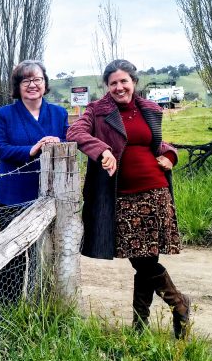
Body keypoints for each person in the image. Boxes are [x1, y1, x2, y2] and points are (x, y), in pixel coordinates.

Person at [66, 59, 191, 338]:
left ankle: (140, 325)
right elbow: (75, 132)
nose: (119, 87)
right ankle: (179, 304)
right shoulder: (97, 111)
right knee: (141, 260)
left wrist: (171, 156)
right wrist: (102, 150)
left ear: (133, 82)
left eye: (124, 81)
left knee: (146, 259)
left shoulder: (149, 109)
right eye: (113, 83)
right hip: (121, 196)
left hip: (155, 191)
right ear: (107, 87)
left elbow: (156, 144)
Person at [0, 60, 69, 310]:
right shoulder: (5, 114)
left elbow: (69, 142)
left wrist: (59, 143)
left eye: (37, 79)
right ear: (18, 86)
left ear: (45, 84)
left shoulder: (59, 113)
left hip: (47, 196)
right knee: (12, 254)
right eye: (26, 80)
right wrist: (32, 149)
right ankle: (6, 310)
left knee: (43, 253)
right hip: (12, 195)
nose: (32, 85)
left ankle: (40, 309)